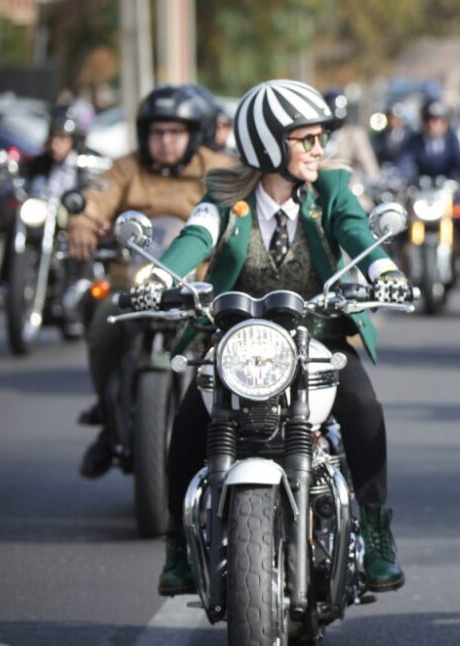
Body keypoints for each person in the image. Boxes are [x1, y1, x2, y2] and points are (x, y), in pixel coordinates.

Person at [143, 79, 411, 596]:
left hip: (319, 337)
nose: (319, 149)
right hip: (238, 342)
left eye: (319, 139)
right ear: (269, 143)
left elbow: (355, 230)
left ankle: (377, 534)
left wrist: (383, 269)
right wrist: (158, 277)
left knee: (364, 410)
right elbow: (197, 233)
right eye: (305, 139)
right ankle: (177, 544)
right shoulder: (225, 192)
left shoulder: (330, 188)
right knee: (189, 426)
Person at [69, 84, 236, 478]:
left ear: (193, 134)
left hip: (198, 288)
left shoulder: (219, 169)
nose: (164, 141)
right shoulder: (127, 167)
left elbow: (243, 208)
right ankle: (110, 418)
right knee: (102, 318)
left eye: (174, 133)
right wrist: (82, 220)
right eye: (157, 132)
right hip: (135, 282)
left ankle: (232, 431)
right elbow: (98, 197)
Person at [0, 101, 98, 311]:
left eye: (62, 139)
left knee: (82, 232)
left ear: (73, 140)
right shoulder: (40, 161)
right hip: (40, 212)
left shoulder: (84, 161)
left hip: (67, 215)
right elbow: (19, 162)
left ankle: (79, 283)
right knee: (13, 226)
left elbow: (105, 177)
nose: (56, 144)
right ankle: (5, 286)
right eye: (54, 138)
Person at [396, 98, 460, 272]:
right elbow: (404, 161)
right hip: (421, 192)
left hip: (446, 191)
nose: (435, 124)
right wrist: (400, 178)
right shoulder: (414, 140)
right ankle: (401, 258)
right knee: (402, 216)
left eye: (440, 120)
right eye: (431, 120)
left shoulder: (452, 139)